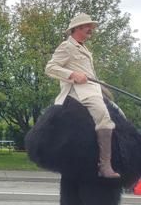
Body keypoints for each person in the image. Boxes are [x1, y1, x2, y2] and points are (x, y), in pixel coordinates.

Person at [45, 13, 119, 178]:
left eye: (91, 27)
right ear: (77, 28)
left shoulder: (84, 48)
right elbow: (50, 68)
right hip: (80, 92)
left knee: (117, 110)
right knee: (104, 116)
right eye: (88, 27)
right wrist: (72, 74)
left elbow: (88, 73)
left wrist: (101, 85)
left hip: (93, 88)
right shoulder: (66, 46)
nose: (91, 30)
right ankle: (105, 166)